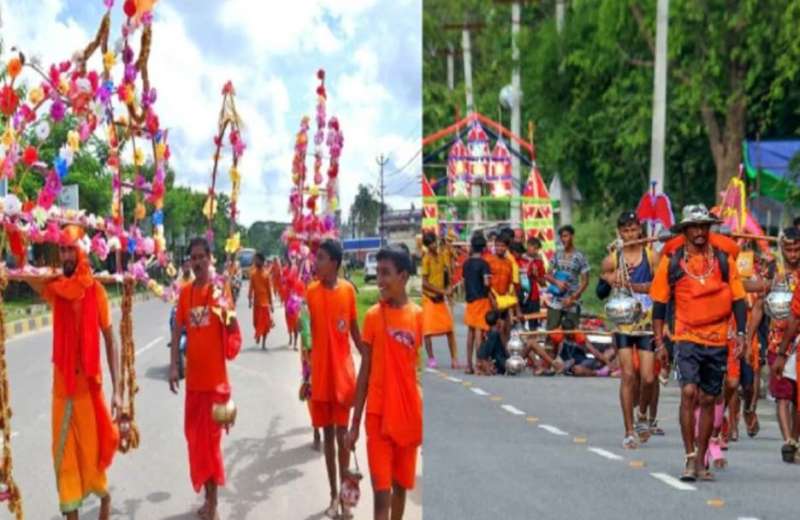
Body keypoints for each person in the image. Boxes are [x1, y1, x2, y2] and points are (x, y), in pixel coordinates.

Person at [26, 225, 120, 519]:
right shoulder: (56, 288)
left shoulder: (96, 292)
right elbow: (29, 277)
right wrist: (21, 237)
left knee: (90, 458)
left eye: (71, 249)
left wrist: (118, 391)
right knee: (64, 459)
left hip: (87, 390)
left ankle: (104, 497)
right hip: (61, 390)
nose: (66, 255)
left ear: (82, 252)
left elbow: (110, 339)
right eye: (63, 249)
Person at [650, 204, 747, 482]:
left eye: (704, 226)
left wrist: (741, 334)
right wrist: (659, 343)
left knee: (708, 398)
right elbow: (659, 305)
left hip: (718, 338)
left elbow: (739, 299)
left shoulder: (723, 261)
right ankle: (690, 457)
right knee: (689, 391)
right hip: (686, 337)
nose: (700, 231)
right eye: (694, 226)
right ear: (685, 231)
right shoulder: (672, 262)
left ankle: (702, 458)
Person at [347, 246, 422, 520]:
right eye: (377, 273)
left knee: (400, 488)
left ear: (403, 276)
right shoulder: (372, 317)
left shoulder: (418, 316)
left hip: (407, 417)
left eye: (385, 273)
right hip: (378, 418)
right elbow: (364, 373)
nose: (379, 280)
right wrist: (354, 424)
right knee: (382, 495)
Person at [170, 237, 239, 520]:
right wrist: (174, 365)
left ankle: (212, 504)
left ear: (210, 259)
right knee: (195, 442)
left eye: (202, 256)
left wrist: (227, 316)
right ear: (189, 261)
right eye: (193, 257)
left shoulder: (219, 292)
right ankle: (209, 499)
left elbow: (233, 328)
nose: (197, 261)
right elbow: (177, 330)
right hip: (194, 386)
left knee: (211, 446)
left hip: (215, 385)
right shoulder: (185, 293)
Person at [306, 240, 362, 518]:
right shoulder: (311, 292)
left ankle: (344, 498)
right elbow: (307, 336)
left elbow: (355, 334)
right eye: (316, 257)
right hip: (321, 376)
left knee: (343, 438)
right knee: (328, 436)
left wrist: (371, 361)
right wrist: (306, 375)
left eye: (321, 258)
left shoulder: (349, 291)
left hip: (342, 377)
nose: (316, 262)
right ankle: (332, 496)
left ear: (335, 263)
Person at [600, 211, 658, 449]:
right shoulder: (614, 257)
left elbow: (661, 286)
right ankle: (629, 430)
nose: (630, 234)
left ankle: (642, 414)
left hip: (646, 322)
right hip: (623, 322)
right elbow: (604, 276)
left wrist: (640, 287)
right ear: (619, 233)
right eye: (625, 230)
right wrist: (611, 278)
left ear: (640, 231)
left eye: (633, 230)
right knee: (628, 375)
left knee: (648, 377)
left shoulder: (651, 256)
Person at [768, 228, 800, 462]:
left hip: (797, 342)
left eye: (797, 249)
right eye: (788, 249)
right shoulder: (773, 272)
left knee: (797, 396)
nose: (793, 254)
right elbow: (758, 306)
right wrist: (747, 336)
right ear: (781, 249)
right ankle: (788, 440)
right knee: (783, 395)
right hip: (778, 341)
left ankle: (794, 441)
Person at [421, 232, 459, 369]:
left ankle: (454, 359)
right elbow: (424, 283)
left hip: (441, 300)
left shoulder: (442, 256)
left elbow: (446, 274)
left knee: (449, 329)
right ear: (427, 246)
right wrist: (442, 291)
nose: (434, 245)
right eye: (431, 244)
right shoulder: (426, 259)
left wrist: (449, 289)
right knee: (427, 332)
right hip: (429, 298)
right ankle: (431, 358)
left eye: (434, 242)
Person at [545, 225, 590, 339]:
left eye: (566, 236)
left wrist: (572, 298)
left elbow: (585, 281)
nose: (563, 239)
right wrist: (557, 282)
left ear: (572, 236)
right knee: (551, 333)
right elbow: (547, 275)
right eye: (561, 237)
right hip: (556, 300)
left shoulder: (580, 256)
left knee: (571, 335)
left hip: (572, 301)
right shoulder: (557, 255)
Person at [462, 233, 493, 374]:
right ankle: (479, 364)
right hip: (481, 299)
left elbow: (464, 282)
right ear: (484, 248)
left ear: (472, 247)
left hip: (470, 300)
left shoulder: (466, 264)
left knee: (471, 332)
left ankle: (469, 365)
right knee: (480, 331)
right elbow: (486, 283)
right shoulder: (484, 264)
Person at [486, 233, 519, 345]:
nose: (499, 248)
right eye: (497, 245)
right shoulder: (488, 260)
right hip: (491, 302)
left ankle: (505, 353)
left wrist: (516, 307)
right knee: (492, 331)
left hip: (504, 302)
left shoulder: (509, 263)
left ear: (507, 247)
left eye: (502, 246)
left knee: (506, 330)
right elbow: (485, 284)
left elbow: (511, 286)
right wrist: (492, 300)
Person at [248, 253, 274, 350]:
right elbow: (251, 288)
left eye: (257, 260)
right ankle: (258, 333)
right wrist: (250, 299)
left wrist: (271, 304)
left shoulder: (266, 275)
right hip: (256, 303)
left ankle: (263, 343)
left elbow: (269, 290)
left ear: (262, 262)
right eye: (255, 260)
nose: (255, 262)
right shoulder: (253, 274)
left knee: (265, 324)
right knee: (255, 323)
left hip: (265, 303)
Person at [523, 237, 547, 330]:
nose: (536, 251)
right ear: (528, 246)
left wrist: (537, 276)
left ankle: (533, 337)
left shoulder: (539, 262)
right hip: (522, 295)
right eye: (535, 248)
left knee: (533, 323)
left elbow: (543, 283)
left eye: (538, 249)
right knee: (520, 321)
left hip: (534, 297)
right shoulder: (520, 259)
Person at [476, 310, 508, 375]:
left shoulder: (491, 333)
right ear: (498, 321)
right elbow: (484, 354)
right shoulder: (494, 334)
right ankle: (490, 368)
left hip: (499, 360)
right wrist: (487, 369)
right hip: (500, 362)